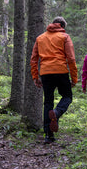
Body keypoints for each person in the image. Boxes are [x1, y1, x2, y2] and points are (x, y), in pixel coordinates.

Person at [30, 16, 78, 144]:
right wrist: (74, 78)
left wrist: (35, 77)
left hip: (46, 73)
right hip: (61, 71)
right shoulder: (65, 37)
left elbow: (34, 59)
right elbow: (71, 59)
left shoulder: (40, 38)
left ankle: (48, 136)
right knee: (67, 97)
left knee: (48, 102)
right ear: (62, 26)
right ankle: (56, 113)